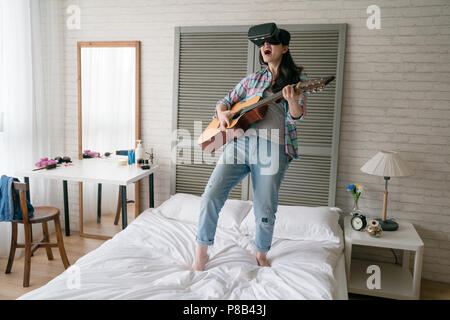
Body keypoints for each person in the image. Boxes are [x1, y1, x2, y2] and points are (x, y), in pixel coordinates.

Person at [193, 23, 308, 271]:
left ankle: (261, 253)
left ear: (284, 48)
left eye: (272, 42)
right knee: (211, 194)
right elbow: (223, 104)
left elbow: (297, 117)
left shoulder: (297, 81)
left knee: (265, 206)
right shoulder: (252, 79)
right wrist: (224, 116)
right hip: (240, 144)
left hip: (272, 148)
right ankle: (201, 253)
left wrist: (293, 101)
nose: (265, 46)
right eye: (262, 43)